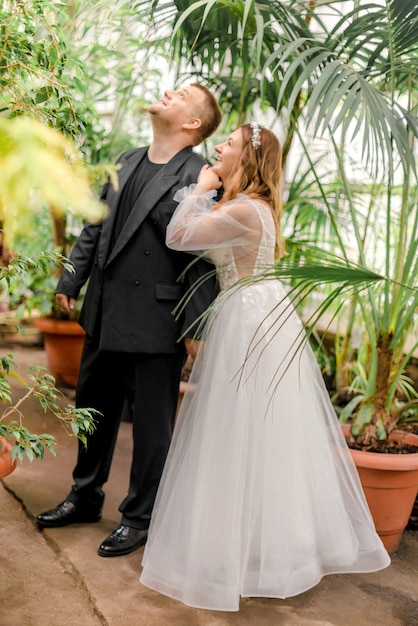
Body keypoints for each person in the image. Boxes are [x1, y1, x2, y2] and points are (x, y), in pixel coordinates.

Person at [139, 123, 390, 611]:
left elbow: (178, 235)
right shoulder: (254, 208)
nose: (218, 149)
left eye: (227, 144)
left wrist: (200, 187)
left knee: (241, 430)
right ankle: (257, 546)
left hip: (248, 320)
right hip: (259, 314)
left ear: (247, 160)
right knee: (258, 432)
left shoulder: (242, 209)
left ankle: (246, 552)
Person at [35, 84, 222, 558]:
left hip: (158, 320)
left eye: (178, 94)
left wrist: (196, 327)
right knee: (93, 412)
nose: (165, 93)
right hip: (105, 309)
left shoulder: (201, 174)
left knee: (152, 428)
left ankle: (139, 517)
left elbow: (204, 258)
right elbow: (94, 225)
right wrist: (70, 281)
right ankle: (84, 496)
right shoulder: (125, 159)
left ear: (193, 124)